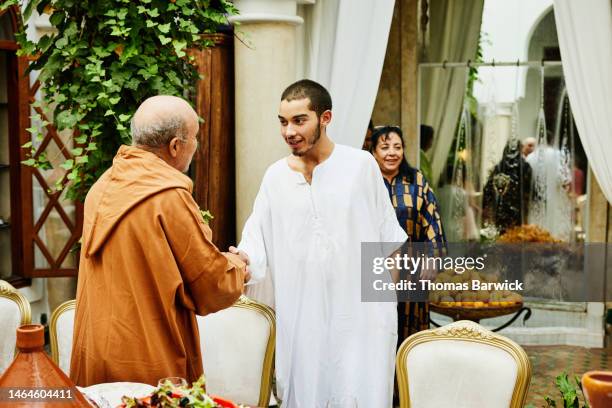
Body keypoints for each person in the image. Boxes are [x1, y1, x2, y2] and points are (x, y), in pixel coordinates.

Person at [234, 80, 407, 407]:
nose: (289, 131)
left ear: (325, 118)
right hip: (302, 318)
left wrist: (383, 310)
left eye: (300, 120)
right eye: (283, 122)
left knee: (359, 391)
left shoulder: (360, 166)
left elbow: (388, 241)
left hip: (360, 318)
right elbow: (255, 240)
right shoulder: (275, 177)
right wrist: (241, 261)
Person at [70, 95, 249, 387]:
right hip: (151, 359)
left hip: (97, 353)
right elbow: (210, 284)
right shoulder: (168, 197)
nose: (196, 147)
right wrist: (237, 266)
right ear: (176, 146)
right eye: (194, 138)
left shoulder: (101, 187)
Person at [369, 125, 445, 342]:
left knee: (410, 331)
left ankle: (405, 376)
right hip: (374, 267)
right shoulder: (365, 184)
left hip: (412, 269)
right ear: (373, 152)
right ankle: (380, 375)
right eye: (385, 147)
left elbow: (432, 218)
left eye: (397, 147)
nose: (392, 152)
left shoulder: (416, 181)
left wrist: (432, 257)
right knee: (378, 329)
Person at [482, 139, 532, 233]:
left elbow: (489, 188)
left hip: (501, 208)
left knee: (502, 235)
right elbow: (531, 189)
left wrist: (484, 205)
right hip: (519, 209)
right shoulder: (525, 167)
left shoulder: (499, 167)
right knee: (516, 237)